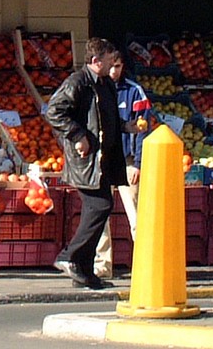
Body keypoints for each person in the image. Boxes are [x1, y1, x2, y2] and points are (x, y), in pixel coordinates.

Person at [44, 37, 127, 290]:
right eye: (109, 61)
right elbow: (54, 111)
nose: (113, 66)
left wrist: (126, 127)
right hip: (86, 161)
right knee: (100, 205)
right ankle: (69, 257)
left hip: (104, 159)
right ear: (95, 61)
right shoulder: (78, 82)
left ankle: (84, 271)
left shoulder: (106, 84)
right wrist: (78, 135)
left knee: (99, 208)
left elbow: (106, 118)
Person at [93, 56, 154, 280]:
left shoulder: (135, 92)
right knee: (100, 214)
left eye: (118, 66)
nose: (113, 71)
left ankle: (145, 265)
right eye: (111, 66)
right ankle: (102, 265)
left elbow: (143, 128)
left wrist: (138, 163)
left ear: (122, 67)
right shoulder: (96, 91)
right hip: (104, 160)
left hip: (127, 162)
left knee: (137, 216)